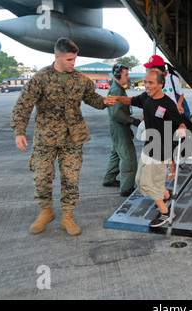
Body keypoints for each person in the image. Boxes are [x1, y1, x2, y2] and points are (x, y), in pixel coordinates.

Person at [11, 37, 117, 236]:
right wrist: (19, 132)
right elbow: (23, 105)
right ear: (57, 58)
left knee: (71, 178)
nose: (73, 63)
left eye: (74, 59)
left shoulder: (80, 79)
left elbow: (91, 98)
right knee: (41, 177)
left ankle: (67, 216)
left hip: (73, 137)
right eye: (69, 60)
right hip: (46, 137)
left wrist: (105, 102)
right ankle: (46, 211)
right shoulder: (40, 78)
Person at [110, 69, 186, 227]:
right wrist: (117, 97)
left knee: (148, 183)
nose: (146, 85)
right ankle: (166, 194)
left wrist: (182, 128)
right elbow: (130, 100)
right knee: (139, 180)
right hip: (149, 147)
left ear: (160, 84)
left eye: (150, 83)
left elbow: (180, 121)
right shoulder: (146, 98)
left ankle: (165, 212)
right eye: (145, 82)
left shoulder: (167, 104)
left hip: (161, 148)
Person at [143, 55, 189, 179]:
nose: (149, 72)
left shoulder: (172, 78)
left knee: (168, 142)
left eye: (150, 68)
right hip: (159, 114)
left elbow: (180, 94)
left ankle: (172, 167)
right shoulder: (152, 82)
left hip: (170, 113)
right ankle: (168, 167)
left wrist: (178, 105)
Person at [102, 64, 141, 196]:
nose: (128, 77)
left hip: (116, 127)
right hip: (120, 127)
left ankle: (108, 179)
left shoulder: (117, 88)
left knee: (116, 153)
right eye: (126, 74)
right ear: (118, 76)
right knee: (128, 157)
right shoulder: (117, 91)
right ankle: (126, 187)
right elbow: (116, 113)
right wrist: (133, 121)